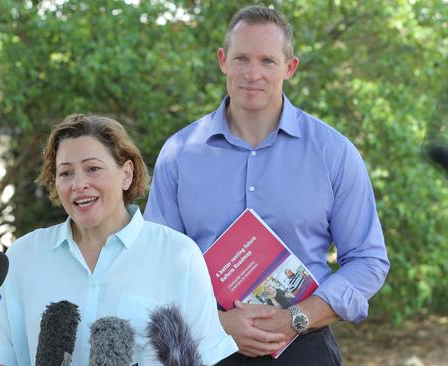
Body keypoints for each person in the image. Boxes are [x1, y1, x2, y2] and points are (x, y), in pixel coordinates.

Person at [145, 5, 389, 365]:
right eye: (242, 58)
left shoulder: (333, 152)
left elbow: (368, 260)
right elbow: (156, 264)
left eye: (267, 61)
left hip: (305, 344)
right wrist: (219, 323)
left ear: (289, 68)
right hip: (205, 345)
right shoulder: (180, 153)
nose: (252, 73)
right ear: (222, 60)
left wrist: (296, 318)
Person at [0, 114, 237, 365]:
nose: (79, 184)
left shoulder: (178, 256)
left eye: (93, 169)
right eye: (66, 173)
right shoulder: (23, 256)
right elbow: (2, 357)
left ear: (126, 174)